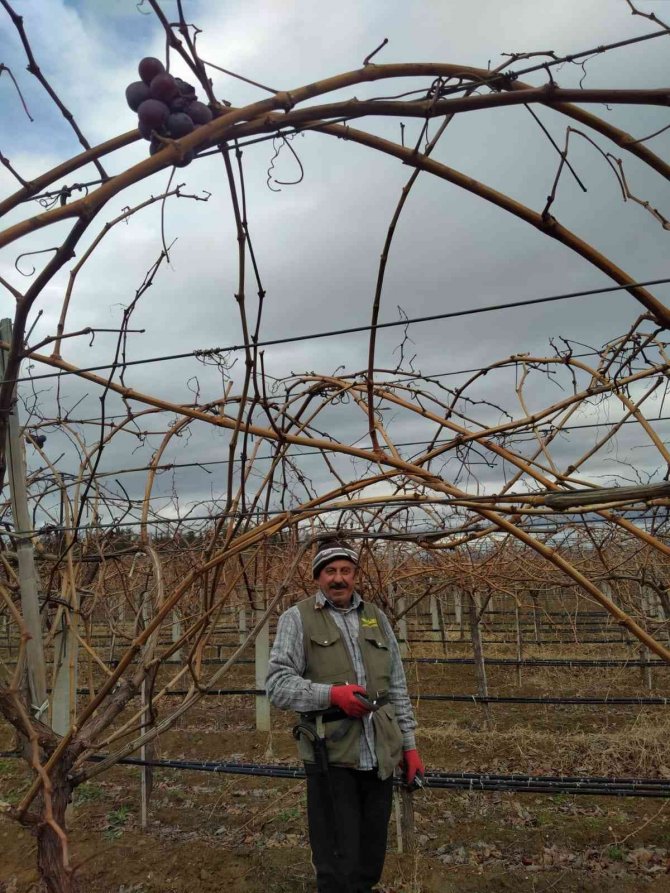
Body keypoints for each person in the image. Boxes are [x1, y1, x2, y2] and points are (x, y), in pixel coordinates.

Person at [265, 537, 424, 893]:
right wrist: (332, 694)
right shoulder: (298, 618)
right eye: (330, 571)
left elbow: (396, 685)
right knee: (337, 859)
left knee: (370, 856)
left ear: (355, 575)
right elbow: (277, 686)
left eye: (346, 571)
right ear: (318, 577)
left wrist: (409, 747)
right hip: (331, 755)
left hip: (380, 753)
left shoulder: (376, 617)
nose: (339, 579)